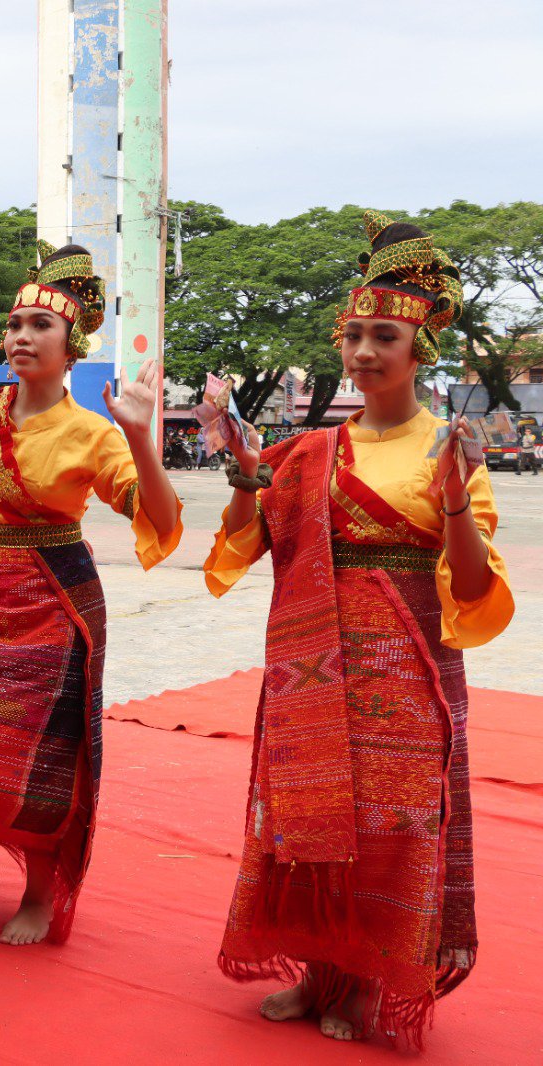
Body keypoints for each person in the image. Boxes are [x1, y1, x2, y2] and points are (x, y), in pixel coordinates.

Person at [204, 214, 513, 1047]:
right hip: (312, 665)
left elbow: (477, 589)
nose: (364, 352)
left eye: (384, 336)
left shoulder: (450, 447)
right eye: (353, 336)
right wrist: (239, 473)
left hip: (408, 674)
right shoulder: (309, 451)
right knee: (303, 818)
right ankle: (316, 972)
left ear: (421, 351)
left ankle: (370, 979)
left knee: (392, 829)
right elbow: (244, 546)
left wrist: (452, 498)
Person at [0, 243, 183, 946]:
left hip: (57, 606)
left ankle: (41, 892)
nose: (20, 336)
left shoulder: (92, 433)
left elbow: (161, 522)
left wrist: (141, 439)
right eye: (13, 324)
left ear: (72, 345)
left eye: (37, 326)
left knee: (42, 763)